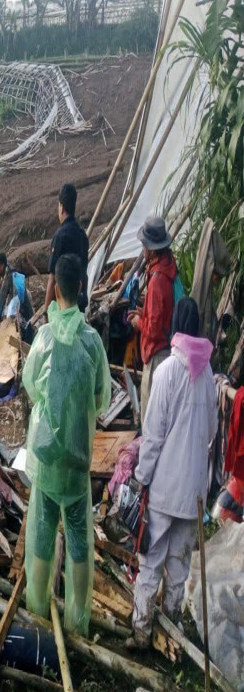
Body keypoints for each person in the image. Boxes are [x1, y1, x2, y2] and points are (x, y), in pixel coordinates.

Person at [23, 253, 111, 636]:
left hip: (46, 458)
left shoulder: (42, 339)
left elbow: (29, 385)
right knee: (78, 538)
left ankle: (38, 607)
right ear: (81, 289)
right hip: (76, 460)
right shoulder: (92, 344)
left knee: (42, 533)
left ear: (56, 287)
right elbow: (103, 397)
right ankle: (77, 621)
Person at [126, 297, 216, 650]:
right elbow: (210, 434)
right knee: (179, 564)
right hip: (194, 489)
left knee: (150, 560)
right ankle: (173, 626)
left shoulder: (166, 371)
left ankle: (142, 631)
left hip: (164, 488)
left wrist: (142, 477)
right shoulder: (207, 375)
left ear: (176, 325)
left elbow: (153, 436)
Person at [128, 215, 179, 421]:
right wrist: (144, 313)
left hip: (157, 355)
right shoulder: (167, 267)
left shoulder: (158, 280)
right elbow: (160, 315)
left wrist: (139, 322)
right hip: (165, 349)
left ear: (150, 247)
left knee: (151, 419)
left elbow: (155, 329)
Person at [44, 184, 88, 314]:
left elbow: (52, 279)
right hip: (80, 304)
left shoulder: (60, 237)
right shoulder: (82, 235)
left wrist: (46, 312)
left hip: (63, 308)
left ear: (61, 207)